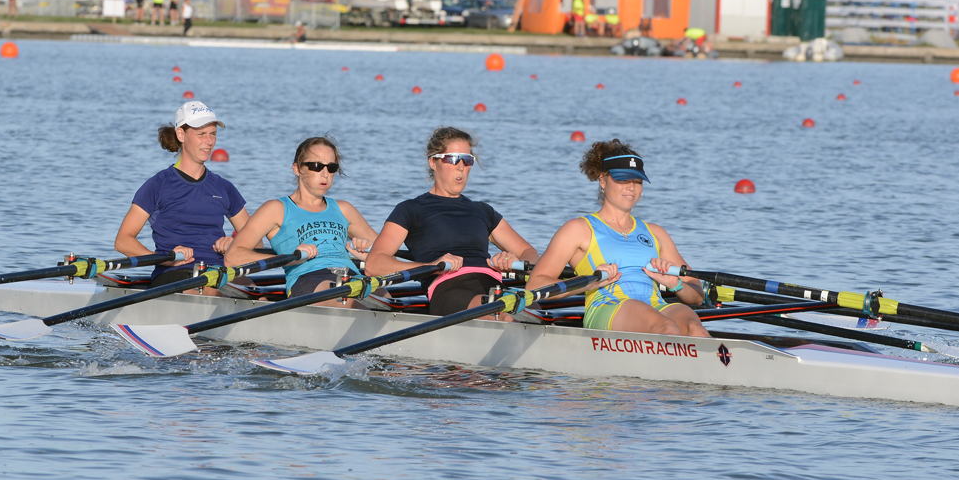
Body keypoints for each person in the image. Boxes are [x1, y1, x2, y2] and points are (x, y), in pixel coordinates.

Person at [526, 140, 709, 337]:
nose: (632, 187)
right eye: (623, 180)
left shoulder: (656, 233)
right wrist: (588, 283)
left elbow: (697, 295)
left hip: (656, 305)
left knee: (693, 326)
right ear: (603, 181)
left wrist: (676, 284)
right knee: (666, 328)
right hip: (608, 306)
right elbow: (535, 285)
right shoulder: (578, 229)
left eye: (637, 181)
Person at [365, 127, 539, 318]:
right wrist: (430, 265)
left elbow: (529, 253)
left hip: (493, 288)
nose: (461, 167)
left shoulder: (483, 211)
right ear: (433, 162)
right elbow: (374, 263)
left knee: (532, 311)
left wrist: (516, 261)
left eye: (468, 160)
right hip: (449, 289)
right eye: (453, 159)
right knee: (503, 312)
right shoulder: (410, 209)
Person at [226, 137, 379, 306]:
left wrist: (368, 252)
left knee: (382, 297)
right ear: (297, 169)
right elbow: (233, 257)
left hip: (353, 277)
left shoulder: (344, 209)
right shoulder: (276, 209)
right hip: (310, 279)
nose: (325, 173)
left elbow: (384, 254)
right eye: (316, 166)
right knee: (348, 298)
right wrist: (290, 258)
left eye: (332, 167)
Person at [114, 100, 249, 287]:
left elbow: (255, 242)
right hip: (174, 272)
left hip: (219, 272)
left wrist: (234, 244)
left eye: (213, 134)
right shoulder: (158, 185)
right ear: (181, 134)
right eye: (201, 134)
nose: (209, 142)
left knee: (256, 291)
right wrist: (164, 259)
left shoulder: (224, 187)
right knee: (208, 290)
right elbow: (123, 241)